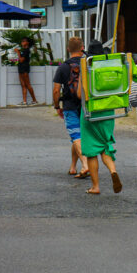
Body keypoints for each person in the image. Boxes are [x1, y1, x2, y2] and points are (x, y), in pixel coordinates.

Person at [79, 54, 122, 196]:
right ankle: (113, 171)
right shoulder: (114, 67)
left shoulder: (86, 67)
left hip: (91, 111)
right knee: (105, 145)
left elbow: (80, 94)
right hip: (109, 110)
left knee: (91, 151)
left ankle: (95, 186)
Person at [53, 36, 90, 180]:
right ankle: (73, 167)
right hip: (86, 105)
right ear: (82, 48)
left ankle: (86, 165)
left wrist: (57, 106)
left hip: (69, 105)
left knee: (76, 136)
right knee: (78, 137)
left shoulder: (63, 67)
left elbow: (56, 90)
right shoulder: (87, 64)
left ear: (68, 49)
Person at [15, 36, 38, 105]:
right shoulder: (24, 50)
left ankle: (34, 100)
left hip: (24, 68)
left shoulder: (26, 50)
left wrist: (18, 52)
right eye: (22, 41)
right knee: (23, 85)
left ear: (27, 43)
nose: (22, 42)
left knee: (27, 84)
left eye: (24, 41)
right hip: (21, 68)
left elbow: (21, 60)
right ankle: (24, 101)